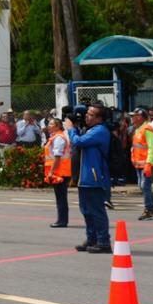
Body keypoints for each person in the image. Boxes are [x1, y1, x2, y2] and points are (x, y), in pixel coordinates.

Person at [64, 105, 112, 253]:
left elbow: (78, 142)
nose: (86, 116)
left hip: (94, 177)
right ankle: (92, 238)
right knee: (86, 211)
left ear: (99, 118)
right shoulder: (91, 130)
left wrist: (71, 129)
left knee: (97, 211)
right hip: (85, 177)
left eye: (91, 114)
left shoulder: (100, 131)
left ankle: (103, 241)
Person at [129, 108, 153, 220]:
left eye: (134, 116)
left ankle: (149, 209)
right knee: (142, 186)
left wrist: (148, 164)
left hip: (147, 165)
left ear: (140, 117)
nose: (132, 118)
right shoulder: (138, 129)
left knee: (145, 186)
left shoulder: (147, 129)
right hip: (139, 164)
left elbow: (152, 148)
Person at [43, 117, 72, 228]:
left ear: (58, 126)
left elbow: (57, 157)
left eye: (51, 124)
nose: (49, 126)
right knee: (60, 197)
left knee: (61, 198)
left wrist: (51, 172)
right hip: (59, 171)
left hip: (60, 172)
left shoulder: (59, 138)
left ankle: (62, 220)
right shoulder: (55, 137)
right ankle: (61, 219)